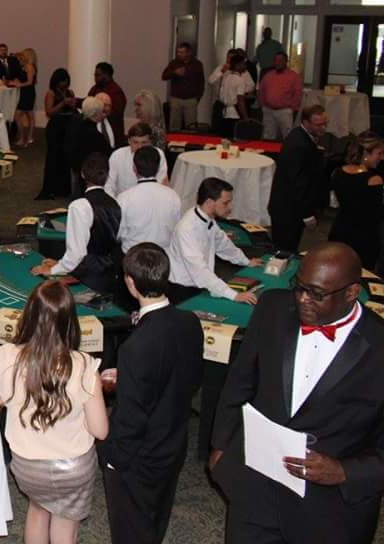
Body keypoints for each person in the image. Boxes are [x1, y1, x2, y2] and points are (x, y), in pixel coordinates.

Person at [209, 242, 384, 544]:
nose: (302, 299)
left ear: (352, 292)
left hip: (330, 509)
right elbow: (240, 381)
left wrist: (344, 471)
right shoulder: (272, 308)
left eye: (316, 293)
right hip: (255, 490)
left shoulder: (379, 346)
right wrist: (221, 445)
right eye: (299, 286)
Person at [0, 280, 109, 544]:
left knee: (38, 509)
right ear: (70, 321)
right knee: (65, 529)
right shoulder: (85, 365)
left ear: (28, 315)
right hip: (73, 469)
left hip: (27, 466)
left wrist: (9, 395)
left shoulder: (6, 356)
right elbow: (100, 430)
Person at [99, 244, 203, 544]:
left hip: (140, 458)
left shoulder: (135, 348)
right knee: (155, 524)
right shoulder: (190, 321)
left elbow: (131, 419)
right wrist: (129, 377)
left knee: (131, 531)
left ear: (130, 283)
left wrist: (112, 459)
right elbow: (190, 378)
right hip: (173, 444)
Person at [32, 153, 122, 295]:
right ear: (107, 175)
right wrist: (60, 263)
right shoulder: (116, 203)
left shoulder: (79, 205)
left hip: (86, 279)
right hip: (109, 274)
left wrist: (53, 270)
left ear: (82, 174)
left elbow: (77, 254)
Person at [167, 177, 262, 304]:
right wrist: (234, 295)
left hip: (202, 284)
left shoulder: (207, 218)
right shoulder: (186, 229)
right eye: (225, 203)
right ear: (209, 202)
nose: (230, 207)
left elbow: (224, 245)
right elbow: (199, 270)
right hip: (183, 291)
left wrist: (246, 261)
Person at [268, 105, 328, 253]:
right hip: (288, 209)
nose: (323, 128)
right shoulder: (298, 144)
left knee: (287, 248)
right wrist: (307, 214)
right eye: (318, 125)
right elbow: (297, 183)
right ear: (306, 122)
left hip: (289, 206)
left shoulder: (300, 135)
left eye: (325, 123)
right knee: (285, 251)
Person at [329, 132, 384, 269]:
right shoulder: (374, 180)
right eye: (379, 153)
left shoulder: (337, 172)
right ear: (366, 153)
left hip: (339, 231)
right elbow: (377, 214)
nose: (382, 157)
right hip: (364, 238)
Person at [116, 147, 182, 253]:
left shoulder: (124, 198)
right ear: (158, 168)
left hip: (133, 255)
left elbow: (118, 233)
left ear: (134, 168)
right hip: (163, 255)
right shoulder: (173, 196)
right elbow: (176, 229)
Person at [36, 68, 77, 200]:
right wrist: (62, 103)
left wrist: (72, 104)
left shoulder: (70, 92)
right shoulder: (51, 93)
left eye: (66, 81)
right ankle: (50, 189)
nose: (64, 84)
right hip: (55, 128)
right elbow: (49, 112)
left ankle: (63, 189)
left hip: (67, 127)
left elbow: (75, 108)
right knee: (53, 157)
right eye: (62, 81)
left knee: (65, 158)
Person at [104, 122, 168, 198]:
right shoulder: (117, 155)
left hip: (150, 199)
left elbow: (160, 183)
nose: (139, 147)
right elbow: (109, 185)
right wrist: (114, 203)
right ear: (129, 141)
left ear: (150, 142)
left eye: (144, 142)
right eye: (135, 142)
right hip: (122, 201)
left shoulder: (158, 154)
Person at [66, 96, 113, 197]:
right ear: (96, 114)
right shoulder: (95, 135)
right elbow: (107, 153)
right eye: (101, 112)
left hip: (76, 166)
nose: (103, 114)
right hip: (89, 171)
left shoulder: (75, 123)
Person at [209, 50, 255, 138]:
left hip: (226, 111)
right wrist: (246, 118)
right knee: (234, 138)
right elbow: (240, 101)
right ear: (238, 65)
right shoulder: (239, 79)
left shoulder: (228, 78)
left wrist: (243, 91)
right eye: (243, 64)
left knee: (225, 137)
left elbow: (251, 86)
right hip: (233, 112)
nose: (245, 66)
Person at [259, 52, 303, 141]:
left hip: (285, 111)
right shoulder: (268, 76)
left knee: (287, 137)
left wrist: (293, 109)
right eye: (276, 60)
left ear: (286, 61)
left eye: (280, 60)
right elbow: (261, 91)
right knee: (268, 136)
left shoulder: (294, 76)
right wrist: (263, 106)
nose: (278, 62)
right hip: (268, 111)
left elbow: (298, 94)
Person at [161, 43, 205, 131]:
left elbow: (201, 82)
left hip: (191, 100)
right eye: (178, 52)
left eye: (182, 52)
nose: (179, 54)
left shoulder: (197, 64)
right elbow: (164, 76)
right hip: (176, 99)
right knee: (174, 126)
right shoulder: (174, 63)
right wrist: (174, 72)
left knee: (191, 126)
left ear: (188, 53)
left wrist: (197, 98)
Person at [88, 62, 127, 146]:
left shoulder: (116, 92)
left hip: (113, 136)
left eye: (97, 75)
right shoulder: (95, 89)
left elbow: (116, 113)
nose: (95, 78)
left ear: (106, 75)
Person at [11, 47, 38, 148]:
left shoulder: (30, 66)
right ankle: (28, 138)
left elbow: (30, 82)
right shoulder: (26, 66)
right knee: (30, 115)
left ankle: (23, 138)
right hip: (26, 92)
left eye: (24, 54)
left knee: (18, 116)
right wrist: (17, 81)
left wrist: (19, 84)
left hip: (28, 93)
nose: (22, 56)